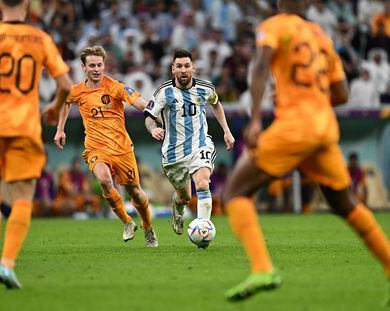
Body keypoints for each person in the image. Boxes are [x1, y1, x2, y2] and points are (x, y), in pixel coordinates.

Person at [221, 0, 390, 303]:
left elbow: (260, 65)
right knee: (345, 203)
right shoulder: (321, 36)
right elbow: (341, 94)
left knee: (234, 192)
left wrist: (257, 118)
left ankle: (263, 268)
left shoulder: (275, 26)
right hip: (324, 127)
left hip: (295, 126)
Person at [0, 0, 72, 289]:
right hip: (25, 127)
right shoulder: (40, 39)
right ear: (29, 5)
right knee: (22, 196)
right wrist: (55, 108)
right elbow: (66, 85)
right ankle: (7, 264)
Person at [53, 45, 158, 248]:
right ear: (83, 67)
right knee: (103, 179)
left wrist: (155, 111)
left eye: (99, 65)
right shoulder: (76, 90)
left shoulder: (115, 86)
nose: (96, 69)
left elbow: (137, 102)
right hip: (95, 147)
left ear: (104, 65)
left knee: (135, 191)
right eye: (92, 65)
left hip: (122, 148)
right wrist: (60, 129)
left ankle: (147, 226)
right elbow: (65, 102)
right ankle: (127, 222)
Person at [144, 48, 235, 237]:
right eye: (179, 66)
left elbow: (216, 104)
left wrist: (226, 131)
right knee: (184, 197)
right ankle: (178, 208)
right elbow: (149, 117)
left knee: (202, 184)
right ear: (173, 69)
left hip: (200, 144)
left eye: (187, 66)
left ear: (193, 68)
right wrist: (153, 129)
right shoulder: (164, 92)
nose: (183, 70)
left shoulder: (205, 88)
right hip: (173, 153)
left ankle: (204, 232)